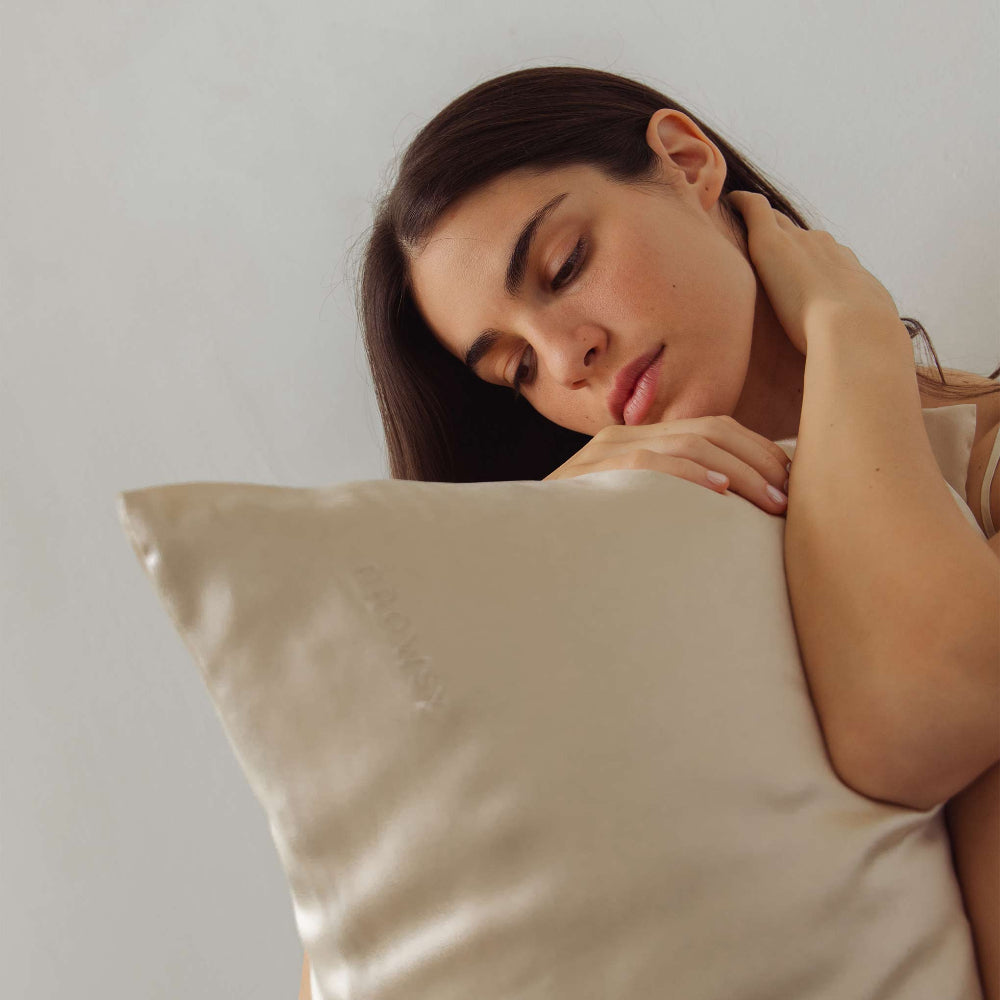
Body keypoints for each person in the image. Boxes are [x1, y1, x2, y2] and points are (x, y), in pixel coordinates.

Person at [296, 67, 999, 999]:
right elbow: (364, 950)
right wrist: (522, 545)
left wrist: (851, 332)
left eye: (564, 267)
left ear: (684, 161)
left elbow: (924, 720)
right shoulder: (597, 572)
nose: (565, 358)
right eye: (514, 369)